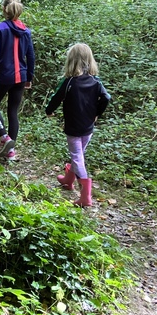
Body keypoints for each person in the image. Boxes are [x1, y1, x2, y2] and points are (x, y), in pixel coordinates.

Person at [45, 43, 111, 207]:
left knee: (77, 157)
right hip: (88, 126)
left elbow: (55, 98)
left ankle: (85, 195)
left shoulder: (68, 82)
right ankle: (68, 180)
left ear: (71, 61)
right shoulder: (96, 81)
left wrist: (49, 111)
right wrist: (97, 113)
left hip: (73, 127)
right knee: (79, 154)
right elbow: (106, 98)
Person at [0, 0, 35, 160]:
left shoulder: (0, 28)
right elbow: (31, 57)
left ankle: (5, 138)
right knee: (13, 111)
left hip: (4, 76)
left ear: (4, 9)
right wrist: (29, 78)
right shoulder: (26, 31)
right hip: (20, 77)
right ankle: (11, 152)